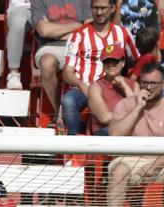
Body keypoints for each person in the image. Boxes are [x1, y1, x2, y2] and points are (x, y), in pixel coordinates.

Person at [104, 62, 164, 207]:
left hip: (162, 162)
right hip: (128, 161)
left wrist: (156, 165)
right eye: (145, 83)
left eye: (154, 83)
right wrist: (138, 107)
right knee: (119, 171)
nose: (149, 87)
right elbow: (115, 135)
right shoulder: (126, 104)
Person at [58, 0, 136, 135]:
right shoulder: (78, 35)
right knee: (69, 100)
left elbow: (136, 61)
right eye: (95, 8)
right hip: (84, 88)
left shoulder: (122, 34)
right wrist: (81, 85)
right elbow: (67, 72)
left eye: (103, 8)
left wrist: (128, 83)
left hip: (113, 88)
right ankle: (74, 140)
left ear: (112, 8)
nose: (99, 12)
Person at [31, 0, 89, 111]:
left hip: (80, 43)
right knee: (47, 63)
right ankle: (58, 111)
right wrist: (77, 26)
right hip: (51, 46)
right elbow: (44, 30)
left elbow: (89, 26)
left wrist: (55, 30)